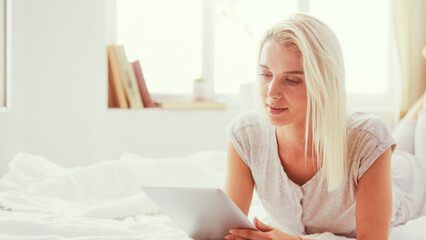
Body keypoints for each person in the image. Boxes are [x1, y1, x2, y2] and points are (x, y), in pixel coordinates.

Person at [224, 13, 426, 240]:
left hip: (409, 180)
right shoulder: (245, 134)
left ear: (324, 84)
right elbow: (226, 228)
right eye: (265, 74)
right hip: (383, 159)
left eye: (291, 80)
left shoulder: (369, 139)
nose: (271, 92)